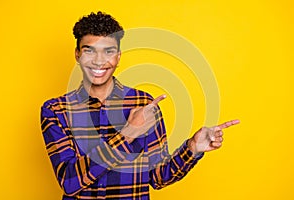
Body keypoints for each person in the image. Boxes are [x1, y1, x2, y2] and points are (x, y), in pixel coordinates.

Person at [40, 11, 240, 200]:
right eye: (89, 51)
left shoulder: (144, 104)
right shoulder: (56, 111)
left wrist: (193, 148)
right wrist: (128, 133)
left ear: (118, 56)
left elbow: (159, 177)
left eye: (108, 52)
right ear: (77, 55)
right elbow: (69, 182)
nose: (99, 61)